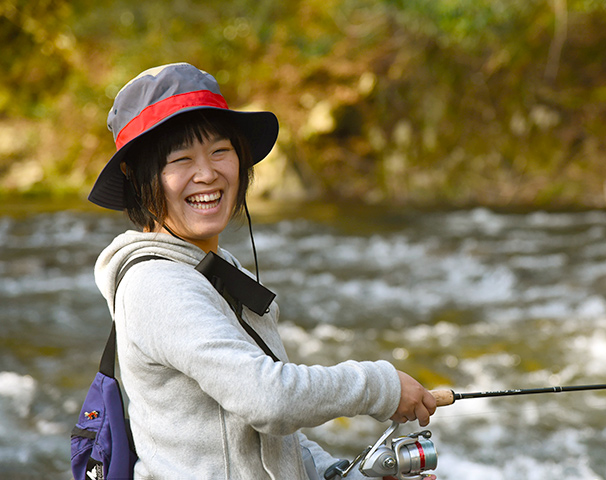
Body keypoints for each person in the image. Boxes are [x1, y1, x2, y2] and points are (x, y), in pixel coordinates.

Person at [89, 62, 437, 480]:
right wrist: (381, 386)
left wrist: (335, 472)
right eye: (181, 160)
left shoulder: (216, 268)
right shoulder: (157, 285)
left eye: (220, 151)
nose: (207, 174)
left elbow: (263, 431)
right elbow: (268, 398)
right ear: (139, 178)